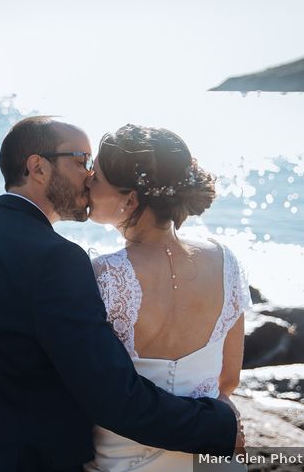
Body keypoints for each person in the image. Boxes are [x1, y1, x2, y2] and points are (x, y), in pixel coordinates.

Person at [0, 116, 243, 472]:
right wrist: (219, 426)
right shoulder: (57, 260)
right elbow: (113, 398)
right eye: (81, 161)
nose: (90, 176)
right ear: (38, 167)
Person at [84, 124, 250, 472]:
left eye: (96, 177)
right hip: (209, 457)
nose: (86, 181)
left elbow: (89, 389)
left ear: (129, 200)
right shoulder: (225, 262)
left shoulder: (103, 274)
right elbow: (228, 378)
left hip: (122, 460)